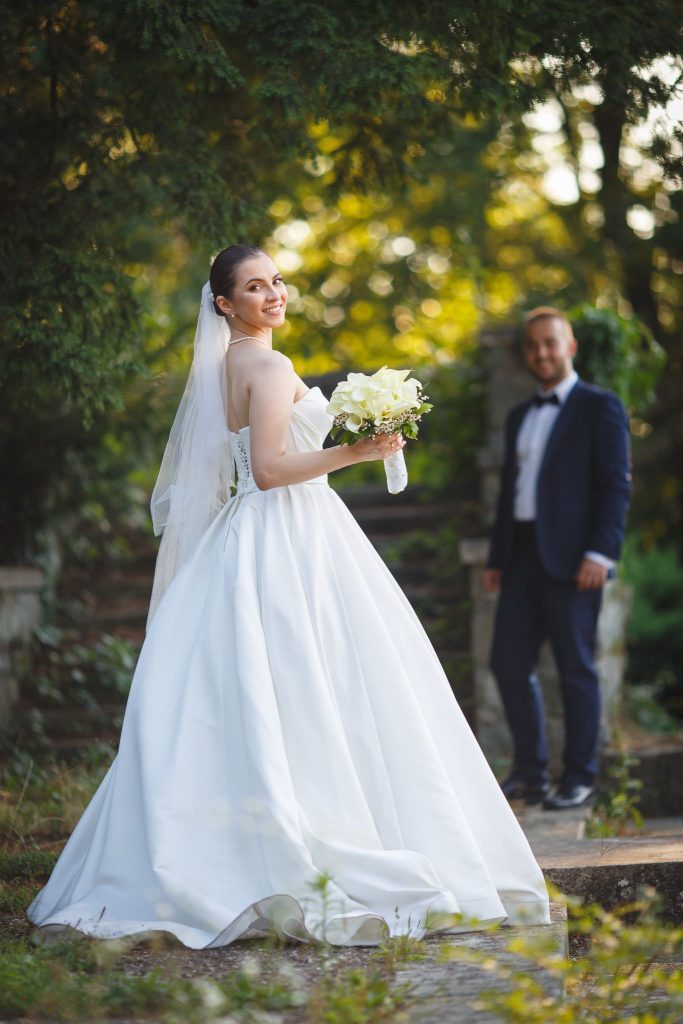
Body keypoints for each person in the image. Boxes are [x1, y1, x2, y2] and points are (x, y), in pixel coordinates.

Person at [28, 246, 550, 948]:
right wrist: (357, 451)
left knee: (269, 693)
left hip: (253, 535)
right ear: (224, 305)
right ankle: (318, 835)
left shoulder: (222, 369)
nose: (272, 293)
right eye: (253, 287)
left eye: (275, 281)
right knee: (321, 682)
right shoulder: (267, 366)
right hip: (289, 531)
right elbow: (271, 470)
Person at [485, 307, 631, 811]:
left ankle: (580, 777)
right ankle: (530, 772)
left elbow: (615, 485)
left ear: (570, 347)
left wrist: (601, 552)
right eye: (533, 346)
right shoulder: (519, 415)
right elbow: (511, 491)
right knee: (506, 663)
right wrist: (497, 556)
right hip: (521, 556)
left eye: (550, 343)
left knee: (576, 669)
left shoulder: (600, 407)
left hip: (575, 559)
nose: (541, 353)